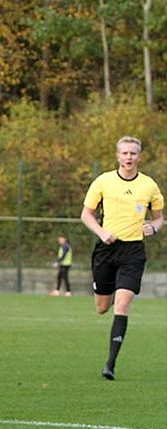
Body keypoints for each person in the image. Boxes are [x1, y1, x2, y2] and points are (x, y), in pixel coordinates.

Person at [81, 135, 163, 381]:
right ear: (118, 156)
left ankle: (110, 364)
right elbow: (86, 214)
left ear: (139, 156)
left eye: (133, 153)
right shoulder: (103, 181)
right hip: (106, 250)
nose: (129, 157)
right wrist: (101, 231)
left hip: (133, 252)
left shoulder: (149, 185)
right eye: (125, 153)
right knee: (102, 307)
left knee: (123, 303)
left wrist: (155, 227)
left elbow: (159, 217)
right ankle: (110, 293)